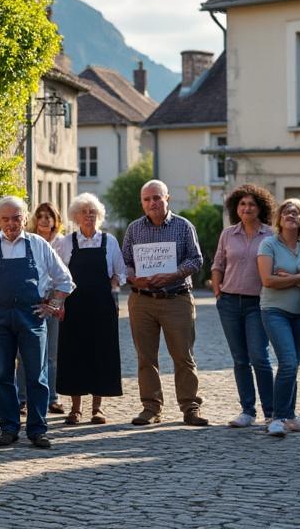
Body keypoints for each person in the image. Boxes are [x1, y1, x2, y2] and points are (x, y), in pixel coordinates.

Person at [0, 196, 74, 448]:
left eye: (16, 218)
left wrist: (53, 305)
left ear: (24, 217)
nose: (11, 224)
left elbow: (65, 279)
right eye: (5, 219)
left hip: (32, 315)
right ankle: (9, 428)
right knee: (3, 375)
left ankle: (38, 429)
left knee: (36, 375)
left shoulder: (38, 244)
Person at [121, 179, 208, 426]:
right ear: (142, 202)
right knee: (145, 357)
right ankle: (151, 407)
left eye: (157, 198)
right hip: (142, 301)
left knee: (183, 356)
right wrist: (133, 278)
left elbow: (196, 260)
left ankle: (190, 407)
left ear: (167, 198)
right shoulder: (134, 229)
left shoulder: (183, 226)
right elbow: (125, 261)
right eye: (147, 199)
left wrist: (174, 273)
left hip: (176, 298)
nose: (152, 203)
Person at [54, 193, 124, 425]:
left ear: (99, 216)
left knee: (101, 354)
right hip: (74, 305)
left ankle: (98, 408)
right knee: (74, 354)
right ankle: (76, 408)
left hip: (102, 304)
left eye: (92, 212)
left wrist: (113, 292)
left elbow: (119, 273)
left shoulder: (109, 241)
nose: (88, 216)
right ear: (76, 216)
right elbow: (58, 275)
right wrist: (59, 302)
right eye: (84, 212)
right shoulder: (66, 242)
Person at [211, 184, 276, 428]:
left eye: (251, 204)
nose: (246, 208)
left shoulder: (271, 235)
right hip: (229, 302)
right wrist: (218, 290)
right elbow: (218, 263)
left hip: (259, 304)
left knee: (260, 357)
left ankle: (271, 411)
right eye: (242, 204)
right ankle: (247, 410)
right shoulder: (228, 234)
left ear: (260, 208)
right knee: (240, 359)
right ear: (235, 207)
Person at [257, 198, 300, 437]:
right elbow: (268, 281)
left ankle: (291, 416)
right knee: (288, 362)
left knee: (293, 366)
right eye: (286, 213)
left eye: (296, 213)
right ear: (279, 219)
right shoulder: (269, 244)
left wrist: (290, 277)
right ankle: (277, 417)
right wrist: (299, 278)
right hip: (274, 310)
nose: (290, 216)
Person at [26, 202, 66, 415]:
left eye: (48, 216)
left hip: (54, 300)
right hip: (33, 299)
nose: (44, 219)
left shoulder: (63, 242)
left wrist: (59, 303)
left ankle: (52, 398)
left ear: (55, 220)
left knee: (51, 353)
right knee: (25, 353)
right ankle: (22, 398)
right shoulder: (29, 240)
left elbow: (66, 276)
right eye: (40, 216)